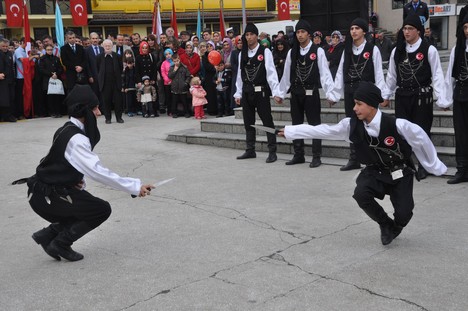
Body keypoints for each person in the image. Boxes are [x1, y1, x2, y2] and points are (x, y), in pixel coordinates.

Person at [277, 82, 447, 245]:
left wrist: (433, 165)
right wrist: (292, 131)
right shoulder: (350, 125)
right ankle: (385, 223)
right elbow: (323, 130)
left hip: (400, 173)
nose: (354, 108)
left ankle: (396, 226)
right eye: (354, 103)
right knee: (360, 194)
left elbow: (421, 140)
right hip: (375, 172)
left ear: (372, 105)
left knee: (404, 215)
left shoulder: (398, 125)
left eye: (359, 104)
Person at [17, 84, 154, 262]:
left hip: (47, 192)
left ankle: (46, 234)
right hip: (46, 197)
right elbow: (98, 172)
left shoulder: (67, 128)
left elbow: (64, 164)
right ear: (84, 111)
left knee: (85, 203)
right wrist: (135, 187)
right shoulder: (76, 138)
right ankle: (61, 243)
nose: (99, 113)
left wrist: (74, 179)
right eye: (95, 108)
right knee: (100, 209)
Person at [382, 15, 448, 180]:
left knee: (422, 132)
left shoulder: (429, 49)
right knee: (402, 133)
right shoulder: (397, 50)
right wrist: (386, 95)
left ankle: (425, 165)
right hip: (402, 95)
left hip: (421, 96)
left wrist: (442, 99)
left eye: (410, 29)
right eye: (404, 29)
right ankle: (406, 164)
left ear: (418, 30)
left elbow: (438, 75)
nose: (406, 32)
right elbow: (391, 75)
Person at [278, 19, 338, 168]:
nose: (300, 35)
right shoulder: (292, 52)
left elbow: (325, 74)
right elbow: (286, 75)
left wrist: (331, 94)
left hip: (311, 92)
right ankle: (299, 154)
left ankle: (316, 156)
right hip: (296, 92)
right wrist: (280, 92)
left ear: (309, 34)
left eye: (303, 32)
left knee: (314, 125)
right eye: (297, 32)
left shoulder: (318, 51)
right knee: (296, 124)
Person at [334, 18, 386, 171]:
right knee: (352, 125)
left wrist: (381, 95)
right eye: (351, 29)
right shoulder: (347, 49)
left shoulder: (372, 49)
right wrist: (335, 94)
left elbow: (378, 73)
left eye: (357, 28)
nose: (354, 31)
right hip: (350, 91)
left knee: (369, 125)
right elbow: (340, 72)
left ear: (364, 31)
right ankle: (354, 158)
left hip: (366, 93)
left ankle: (372, 159)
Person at [234, 23, 281, 163]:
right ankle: (250, 150)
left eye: (251, 34)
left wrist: (276, 92)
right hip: (247, 91)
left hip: (261, 91)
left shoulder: (264, 51)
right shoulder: (242, 53)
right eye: (246, 35)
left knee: (267, 120)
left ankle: (272, 151)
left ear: (256, 35)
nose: (249, 37)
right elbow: (239, 75)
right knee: (248, 122)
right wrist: (238, 93)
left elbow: (271, 73)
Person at [444, 15, 468, 184]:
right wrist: (445, 100)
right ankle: (462, 170)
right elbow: (449, 76)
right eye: (465, 27)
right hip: (461, 95)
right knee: (461, 135)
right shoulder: (457, 49)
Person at [96, 39, 124, 124]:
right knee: (106, 101)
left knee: (118, 101)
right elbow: (98, 69)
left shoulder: (118, 56)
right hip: (105, 83)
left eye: (109, 46)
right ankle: (108, 118)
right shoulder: (99, 57)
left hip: (116, 83)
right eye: (106, 46)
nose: (107, 47)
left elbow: (120, 68)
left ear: (112, 47)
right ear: (103, 47)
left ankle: (119, 118)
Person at [38, 44, 65, 118]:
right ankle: (51, 112)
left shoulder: (56, 58)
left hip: (56, 79)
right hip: (47, 80)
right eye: (48, 50)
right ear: (45, 50)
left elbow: (61, 68)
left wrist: (57, 73)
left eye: (51, 49)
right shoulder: (43, 59)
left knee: (57, 97)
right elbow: (41, 69)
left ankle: (58, 111)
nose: (50, 51)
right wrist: (50, 74)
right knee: (50, 97)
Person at [168, 53, 191, 118]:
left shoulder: (184, 67)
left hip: (182, 87)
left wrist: (186, 83)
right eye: (174, 61)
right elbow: (170, 76)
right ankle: (174, 113)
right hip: (175, 87)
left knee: (184, 101)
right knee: (174, 101)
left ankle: (186, 112)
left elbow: (188, 76)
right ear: (173, 61)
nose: (176, 62)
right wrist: (174, 70)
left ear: (179, 59)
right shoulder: (172, 67)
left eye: (177, 60)